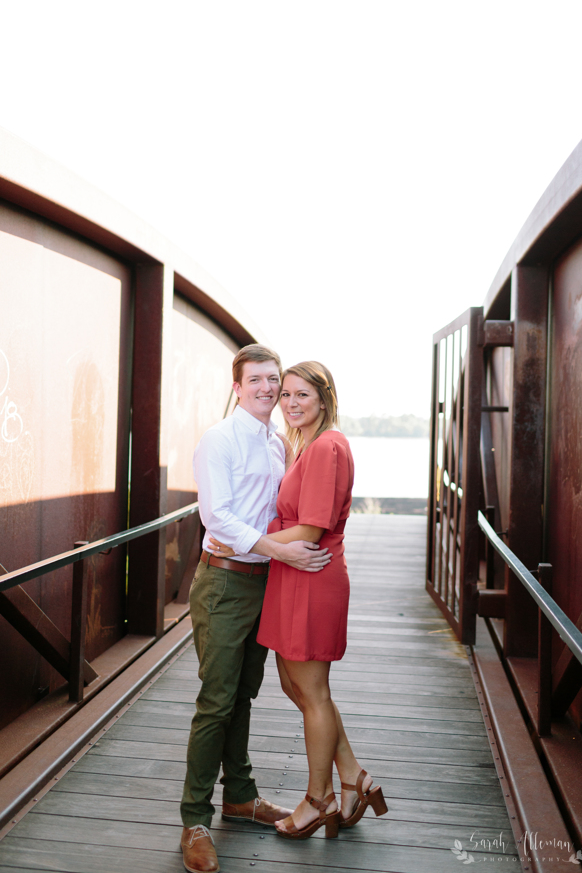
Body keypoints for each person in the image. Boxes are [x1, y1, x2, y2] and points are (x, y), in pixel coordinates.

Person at [209, 361, 388, 842]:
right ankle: (353, 777)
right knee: (297, 686)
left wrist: (243, 540)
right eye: (283, 394)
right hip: (291, 573)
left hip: (312, 575)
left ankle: (318, 800)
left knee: (312, 693)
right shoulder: (301, 445)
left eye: (301, 395)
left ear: (325, 398)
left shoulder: (328, 445)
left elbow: (310, 530)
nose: (288, 403)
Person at [180, 345, 332, 873]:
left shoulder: (277, 444)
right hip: (223, 584)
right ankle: (195, 818)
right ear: (237, 385)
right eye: (259, 381)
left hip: (265, 583)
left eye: (276, 380)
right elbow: (217, 517)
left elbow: (280, 511)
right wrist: (280, 549)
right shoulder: (218, 441)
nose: (270, 390)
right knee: (216, 701)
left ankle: (240, 796)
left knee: (244, 694)